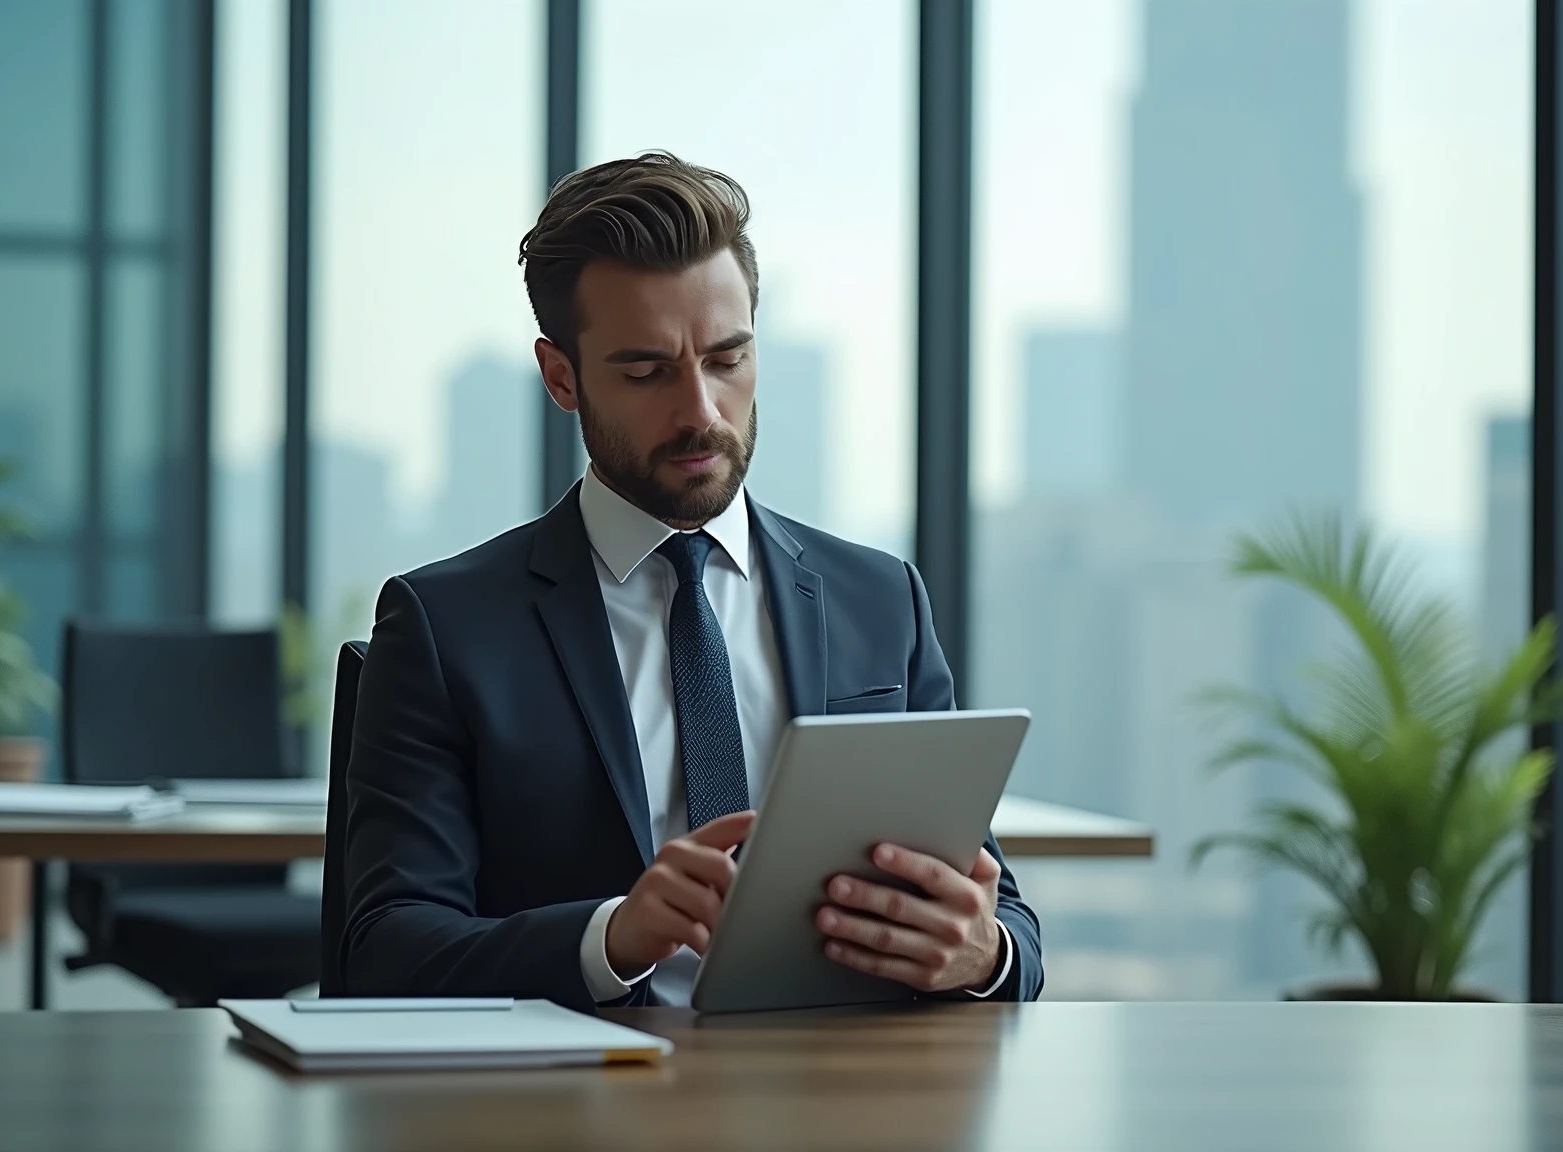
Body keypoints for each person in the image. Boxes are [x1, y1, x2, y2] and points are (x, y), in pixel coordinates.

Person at [341, 151, 1042, 1007]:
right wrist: (614, 935)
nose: (702, 411)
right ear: (562, 377)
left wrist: (983, 954)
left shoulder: (881, 599)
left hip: (845, 1098)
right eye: (646, 372)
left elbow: (999, 911)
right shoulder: (446, 626)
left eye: (727, 359)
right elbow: (385, 951)